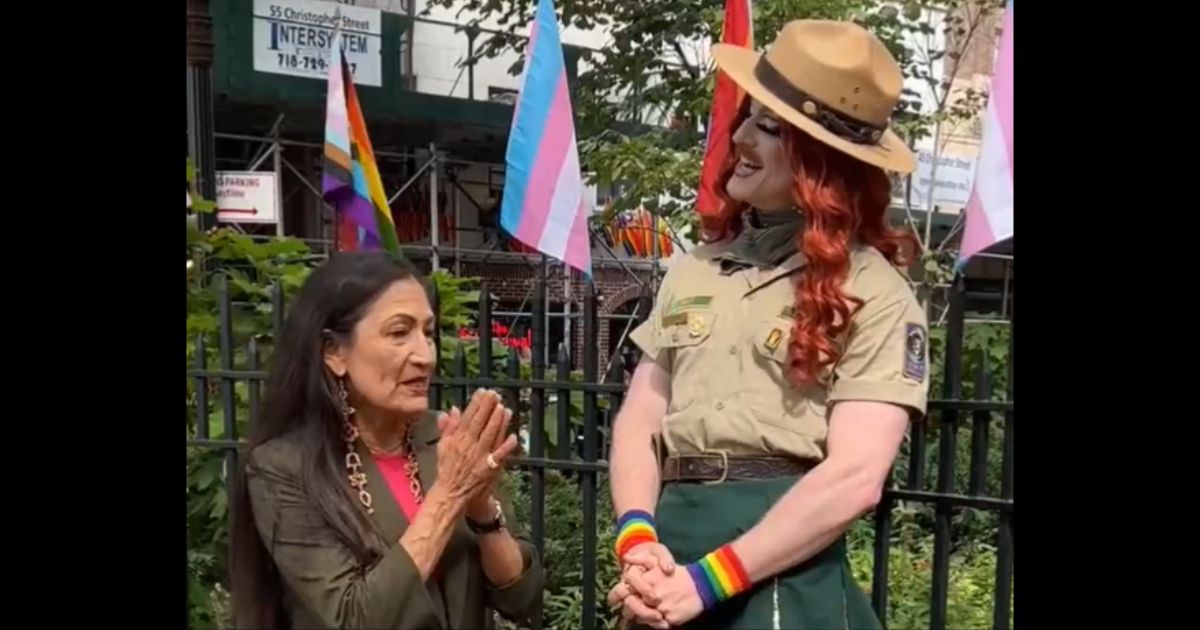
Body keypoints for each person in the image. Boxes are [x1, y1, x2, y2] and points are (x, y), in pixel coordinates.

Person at [605, 19, 930, 630]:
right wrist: (639, 542)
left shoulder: (877, 294)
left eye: (770, 126)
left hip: (779, 569)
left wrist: (711, 580)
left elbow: (857, 477)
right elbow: (641, 419)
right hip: (667, 558)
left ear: (821, 162)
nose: (741, 135)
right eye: (749, 115)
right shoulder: (695, 267)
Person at [229, 252, 543, 629]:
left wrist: (480, 509)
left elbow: (522, 599)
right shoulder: (284, 467)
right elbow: (350, 619)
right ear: (334, 353)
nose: (425, 356)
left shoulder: (443, 440)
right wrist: (449, 497)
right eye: (399, 333)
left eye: (428, 333)